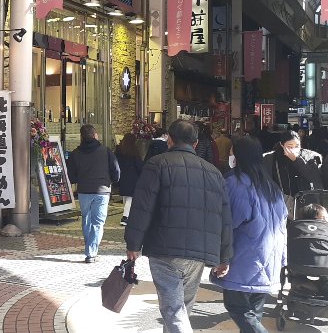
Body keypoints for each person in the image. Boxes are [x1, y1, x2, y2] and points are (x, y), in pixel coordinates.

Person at [125, 119, 233, 333]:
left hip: (164, 249)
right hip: (199, 253)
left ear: (169, 140)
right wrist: (225, 256)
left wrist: (133, 244)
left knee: (174, 310)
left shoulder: (157, 164)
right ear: (195, 144)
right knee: (182, 309)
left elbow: (142, 207)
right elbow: (225, 217)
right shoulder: (214, 173)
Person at [210, 136, 287, 333]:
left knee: (238, 309)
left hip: (244, 259)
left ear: (238, 154)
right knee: (253, 313)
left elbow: (227, 224)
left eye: (232, 151)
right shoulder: (271, 186)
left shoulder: (236, 184)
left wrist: (220, 256)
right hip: (270, 259)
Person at [67, 124, 120, 263]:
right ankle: (91, 252)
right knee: (98, 222)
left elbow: (71, 175)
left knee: (87, 219)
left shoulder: (75, 153)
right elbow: (116, 170)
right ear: (95, 135)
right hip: (102, 191)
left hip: (84, 190)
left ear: (81, 137)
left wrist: (79, 180)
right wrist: (112, 181)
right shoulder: (106, 151)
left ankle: (90, 247)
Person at [263, 130, 327, 215]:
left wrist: (297, 160)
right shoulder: (271, 158)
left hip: (305, 204)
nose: (294, 149)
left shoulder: (310, 156)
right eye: (289, 146)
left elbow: (314, 178)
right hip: (280, 203)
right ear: (282, 145)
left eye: (297, 146)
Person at [114, 133, 142, 227]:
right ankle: (125, 217)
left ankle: (127, 215)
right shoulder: (134, 152)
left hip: (122, 177)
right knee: (130, 198)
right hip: (132, 178)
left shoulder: (118, 151)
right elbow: (139, 166)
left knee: (126, 198)